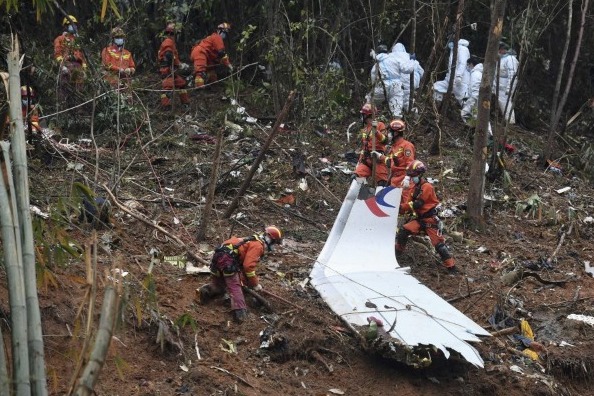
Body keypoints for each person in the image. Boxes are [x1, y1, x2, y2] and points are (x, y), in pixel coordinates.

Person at [198, 226, 283, 322]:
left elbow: (243, 267)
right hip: (227, 259)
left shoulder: (250, 240)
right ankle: (240, 315)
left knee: (220, 284)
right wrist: (255, 284)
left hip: (219, 256)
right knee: (235, 286)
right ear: (270, 239)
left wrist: (246, 281)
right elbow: (248, 267)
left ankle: (205, 291)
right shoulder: (258, 245)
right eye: (274, 243)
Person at [396, 160, 457, 273]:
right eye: (411, 176)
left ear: (420, 174)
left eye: (413, 176)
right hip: (420, 220)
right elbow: (408, 201)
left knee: (439, 246)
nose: (412, 178)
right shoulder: (414, 187)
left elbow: (417, 204)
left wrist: (401, 208)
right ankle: (397, 253)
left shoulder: (427, 187)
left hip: (430, 221)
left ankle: (452, 267)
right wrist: (402, 190)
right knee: (403, 231)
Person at [365, 44, 414, 118]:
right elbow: (408, 69)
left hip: (381, 87)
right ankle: (397, 126)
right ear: (386, 52)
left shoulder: (376, 65)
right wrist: (412, 60)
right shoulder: (394, 60)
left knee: (370, 102)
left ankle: (366, 122)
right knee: (396, 112)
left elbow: (373, 80)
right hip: (396, 87)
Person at [53, 15, 87, 107]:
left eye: (75, 24)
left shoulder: (78, 40)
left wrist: (84, 68)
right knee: (65, 89)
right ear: (65, 26)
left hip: (78, 66)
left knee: (79, 89)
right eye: (71, 24)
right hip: (67, 66)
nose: (74, 26)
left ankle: (79, 110)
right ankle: (64, 109)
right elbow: (57, 54)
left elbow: (83, 56)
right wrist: (62, 66)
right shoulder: (60, 39)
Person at [371, 119, 415, 188]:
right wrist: (380, 156)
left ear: (396, 133)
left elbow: (410, 163)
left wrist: (407, 177)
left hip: (404, 181)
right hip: (394, 181)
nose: (388, 134)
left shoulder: (407, 145)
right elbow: (390, 162)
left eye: (390, 132)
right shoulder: (393, 147)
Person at [354, 103, 389, 186]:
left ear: (367, 115)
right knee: (355, 177)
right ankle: (358, 197)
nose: (361, 117)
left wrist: (376, 131)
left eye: (363, 115)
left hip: (378, 159)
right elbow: (364, 147)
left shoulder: (380, 125)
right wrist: (359, 161)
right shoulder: (365, 130)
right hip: (367, 160)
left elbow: (385, 140)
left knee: (382, 184)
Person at [190, 22, 233, 88]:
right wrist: (228, 64)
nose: (225, 35)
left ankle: (213, 87)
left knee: (211, 70)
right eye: (224, 33)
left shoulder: (213, 37)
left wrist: (220, 61)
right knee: (200, 72)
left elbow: (216, 55)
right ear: (220, 31)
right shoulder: (217, 37)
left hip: (205, 55)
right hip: (200, 53)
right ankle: (199, 89)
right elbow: (221, 52)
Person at [157, 22, 190, 108]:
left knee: (181, 83)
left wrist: (180, 64)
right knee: (168, 88)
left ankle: (185, 104)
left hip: (172, 69)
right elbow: (168, 55)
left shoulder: (170, 42)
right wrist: (179, 64)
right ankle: (166, 107)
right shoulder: (168, 42)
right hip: (167, 69)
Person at [461, 56, 492, 135]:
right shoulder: (480, 72)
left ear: (471, 64)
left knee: (465, 113)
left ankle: (478, 132)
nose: (467, 67)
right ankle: (484, 134)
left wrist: (471, 101)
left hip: (477, 100)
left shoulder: (475, 73)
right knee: (481, 117)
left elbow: (475, 89)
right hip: (481, 98)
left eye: (468, 65)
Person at [433, 39, 470, 105]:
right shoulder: (453, 50)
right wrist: (448, 78)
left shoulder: (462, 49)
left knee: (464, 102)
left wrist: (459, 76)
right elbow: (452, 68)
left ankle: (469, 114)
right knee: (437, 86)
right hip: (451, 80)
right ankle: (436, 107)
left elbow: (462, 63)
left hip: (461, 81)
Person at [391, 43, 424, 112]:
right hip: (413, 83)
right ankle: (412, 114)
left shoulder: (390, 57)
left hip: (398, 83)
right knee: (408, 100)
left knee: (397, 99)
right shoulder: (410, 57)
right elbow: (422, 72)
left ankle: (397, 115)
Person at [494, 42, 519, 124]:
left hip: (505, 87)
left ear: (502, 50)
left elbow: (512, 75)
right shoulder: (501, 59)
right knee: (501, 103)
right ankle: (505, 120)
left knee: (506, 103)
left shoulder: (511, 59)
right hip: (499, 86)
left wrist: (509, 88)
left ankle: (510, 121)